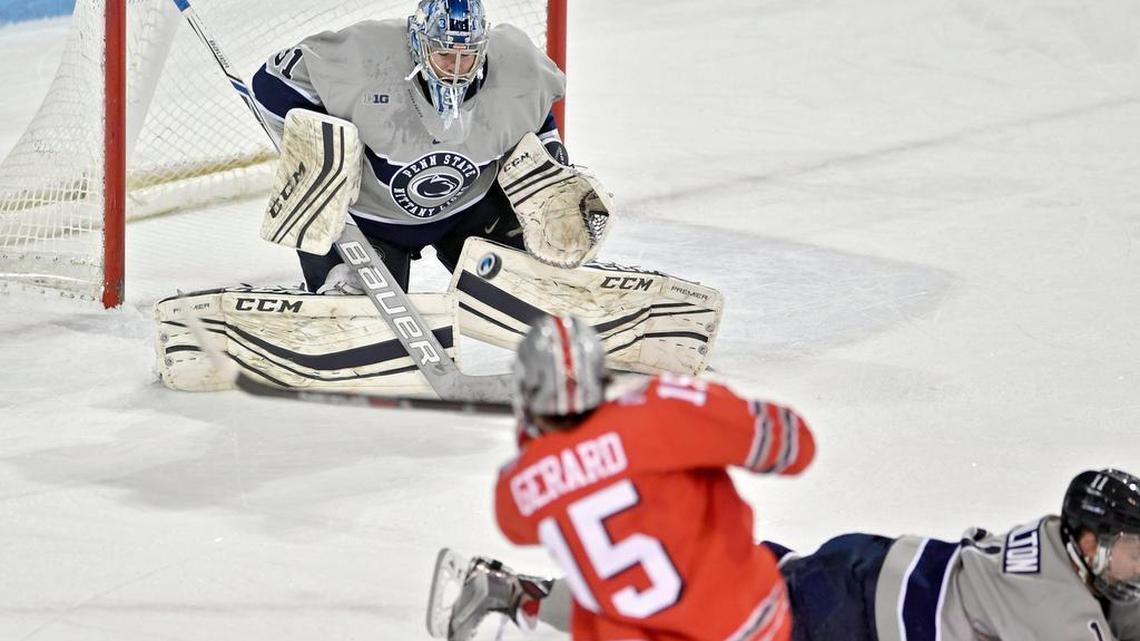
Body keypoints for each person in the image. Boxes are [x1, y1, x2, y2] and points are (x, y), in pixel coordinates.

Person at [433, 314, 817, 641]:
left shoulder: (515, 488)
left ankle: (518, 594)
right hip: (753, 625)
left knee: (605, 597)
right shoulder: (662, 412)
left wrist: (538, 438)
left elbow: (523, 520)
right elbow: (796, 448)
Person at [431, 467, 1140, 641]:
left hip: (864, 564)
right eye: (1134, 548)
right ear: (1091, 542)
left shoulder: (1053, 534)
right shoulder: (1060, 604)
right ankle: (510, 592)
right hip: (848, 615)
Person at [250, 0, 568, 293]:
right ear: (418, 42)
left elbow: (537, 113)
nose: (456, 68)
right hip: (367, 226)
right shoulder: (365, 56)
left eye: (467, 55)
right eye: (444, 54)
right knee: (359, 325)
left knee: (542, 290)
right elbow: (271, 85)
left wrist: (553, 162)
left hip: (470, 214)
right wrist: (320, 151)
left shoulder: (517, 64)